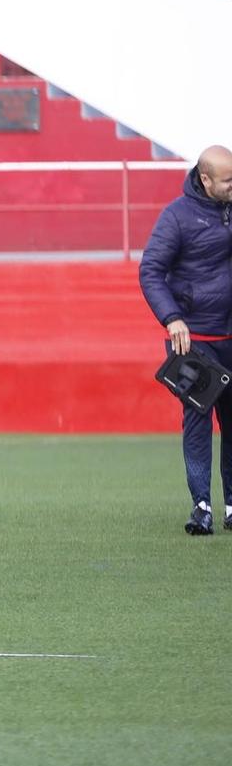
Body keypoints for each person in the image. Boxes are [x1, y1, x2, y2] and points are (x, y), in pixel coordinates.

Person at [139, 144, 232, 535]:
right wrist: (172, 318)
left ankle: (231, 506)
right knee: (197, 423)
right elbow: (151, 271)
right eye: (228, 181)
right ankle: (202, 507)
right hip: (193, 343)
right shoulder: (175, 217)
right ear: (205, 179)